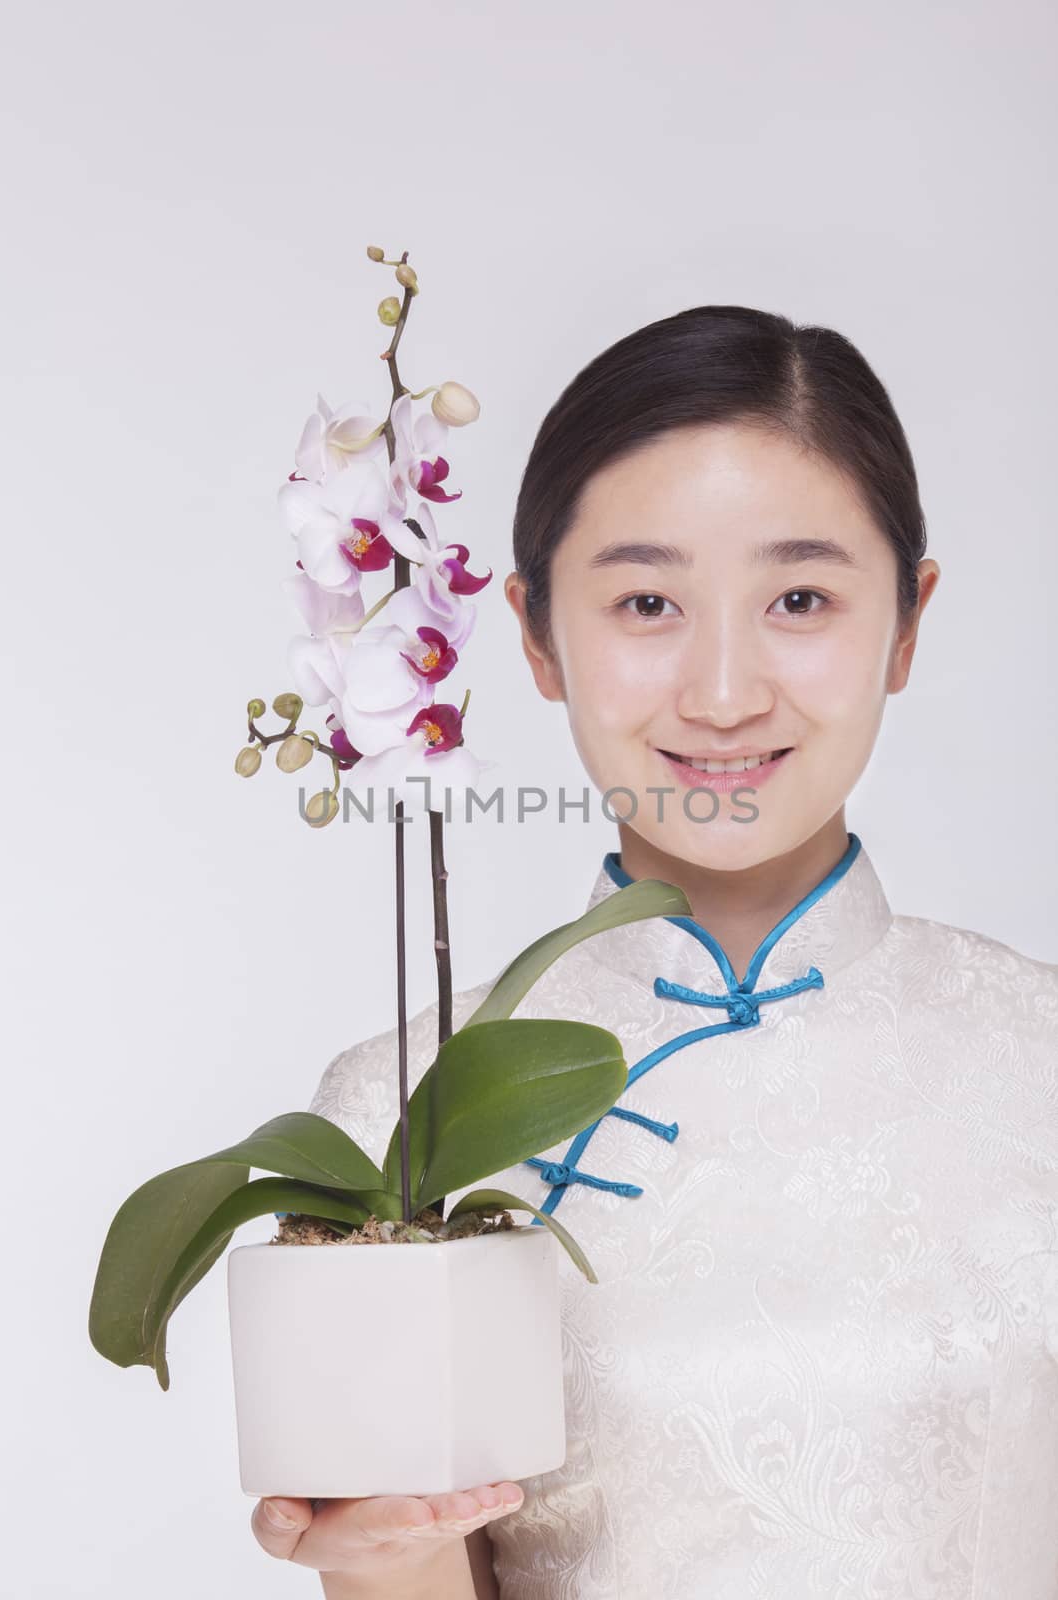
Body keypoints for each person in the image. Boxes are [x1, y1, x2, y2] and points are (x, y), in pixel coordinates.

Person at [252, 306, 1058, 1598]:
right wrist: (380, 1564)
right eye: (645, 602)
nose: (725, 691)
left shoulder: (1041, 1061)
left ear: (908, 623)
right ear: (532, 635)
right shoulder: (404, 1123)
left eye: (801, 598)